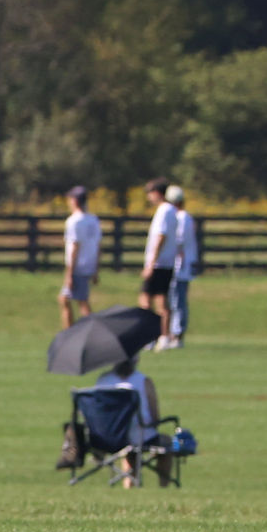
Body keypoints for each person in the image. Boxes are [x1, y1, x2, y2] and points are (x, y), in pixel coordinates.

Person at [94, 353, 172, 487]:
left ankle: (129, 483)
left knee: (129, 447)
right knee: (169, 443)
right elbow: (155, 418)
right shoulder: (143, 381)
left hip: (106, 438)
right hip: (140, 437)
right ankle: (164, 486)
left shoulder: (103, 380)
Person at [139, 178, 176, 349]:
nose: (149, 197)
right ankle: (162, 336)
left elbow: (160, 237)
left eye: (150, 193)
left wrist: (151, 263)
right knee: (161, 299)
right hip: (165, 263)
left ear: (157, 193)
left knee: (148, 300)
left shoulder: (164, 211)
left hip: (159, 264)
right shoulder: (171, 210)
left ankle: (154, 336)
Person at [60, 186, 102, 329]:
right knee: (69, 299)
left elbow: (74, 248)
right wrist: (96, 269)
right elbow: (98, 246)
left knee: (79, 302)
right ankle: (73, 332)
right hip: (89, 265)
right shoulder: (93, 220)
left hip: (77, 267)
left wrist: (69, 274)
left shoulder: (74, 221)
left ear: (75, 201)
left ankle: (81, 332)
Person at [166, 185, 198, 350]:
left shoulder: (181, 218)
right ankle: (173, 333)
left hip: (180, 266)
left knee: (177, 301)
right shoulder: (184, 217)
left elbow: (179, 241)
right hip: (180, 265)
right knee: (175, 300)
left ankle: (177, 335)